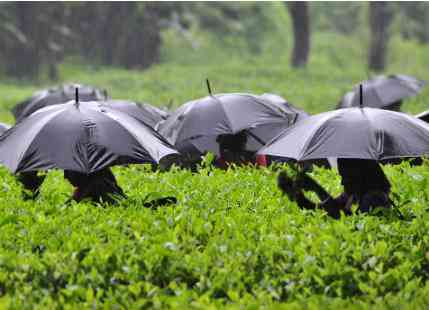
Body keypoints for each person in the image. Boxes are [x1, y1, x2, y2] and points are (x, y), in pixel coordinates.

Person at [277, 159, 392, 219]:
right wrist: (298, 196)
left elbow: (346, 222)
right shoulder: (353, 194)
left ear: (360, 175)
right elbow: (324, 209)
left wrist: (317, 188)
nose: (342, 182)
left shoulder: (374, 198)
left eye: (346, 177)